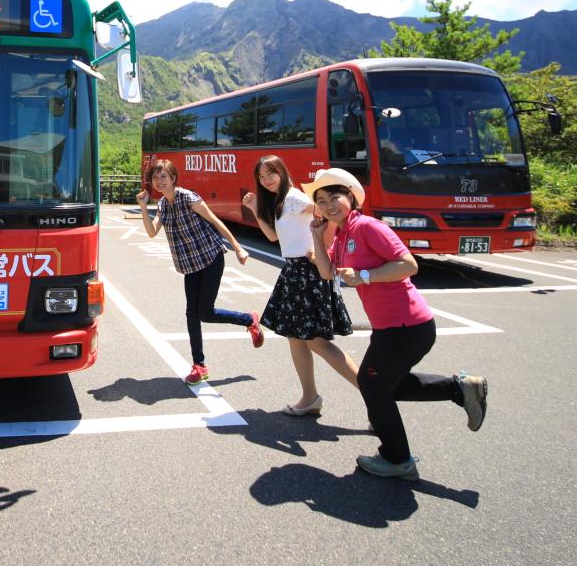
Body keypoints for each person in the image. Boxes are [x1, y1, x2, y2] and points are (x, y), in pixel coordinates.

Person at [308, 167, 488, 481]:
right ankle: (459, 388)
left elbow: (408, 265)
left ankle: (397, 458)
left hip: (407, 326)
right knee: (385, 384)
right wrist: (315, 235)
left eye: (334, 196)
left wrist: (365, 276)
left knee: (373, 385)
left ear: (351, 195)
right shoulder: (344, 232)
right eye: (321, 200)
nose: (328, 205)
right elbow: (326, 272)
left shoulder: (367, 226)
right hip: (393, 327)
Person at [240, 155, 359, 417]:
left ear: (282, 171)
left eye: (271, 173)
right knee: (296, 338)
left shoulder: (294, 198)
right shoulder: (281, 202)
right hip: (294, 271)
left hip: (307, 272)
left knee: (317, 342)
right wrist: (255, 208)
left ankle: (374, 397)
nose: (267, 180)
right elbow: (272, 235)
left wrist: (325, 250)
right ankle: (309, 397)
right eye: (261, 176)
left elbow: (325, 212)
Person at [136, 159, 261, 384]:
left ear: (173, 178)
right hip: (189, 265)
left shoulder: (188, 198)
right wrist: (144, 207)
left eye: (164, 176)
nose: (159, 181)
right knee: (192, 315)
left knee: (205, 313)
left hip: (210, 258)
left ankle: (248, 319)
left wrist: (238, 247)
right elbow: (152, 232)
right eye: (155, 178)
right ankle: (199, 365)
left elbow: (215, 222)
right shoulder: (163, 205)